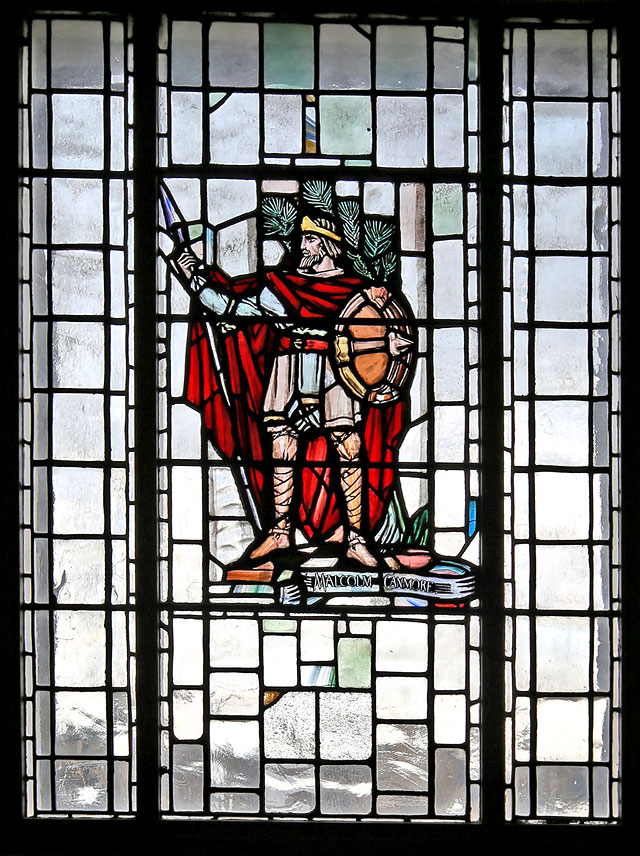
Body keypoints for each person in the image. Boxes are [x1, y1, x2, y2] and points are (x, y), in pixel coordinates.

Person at [172, 213, 407, 569]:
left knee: (348, 444)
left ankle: (357, 538)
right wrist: (195, 279)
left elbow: (377, 330)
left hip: (335, 369)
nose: (302, 247)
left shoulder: (357, 293)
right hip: (288, 362)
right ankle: (280, 530)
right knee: (282, 443)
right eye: (303, 240)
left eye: (311, 241)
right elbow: (231, 309)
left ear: (329, 246)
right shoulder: (281, 287)